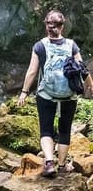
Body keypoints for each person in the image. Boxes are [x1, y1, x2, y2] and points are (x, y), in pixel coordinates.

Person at [18, 9, 83, 177]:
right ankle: (62, 166)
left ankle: (48, 163)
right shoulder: (72, 45)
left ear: (47, 26)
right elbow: (82, 70)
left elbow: (32, 71)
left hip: (46, 95)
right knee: (64, 130)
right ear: (62, 27)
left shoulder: (40, 46)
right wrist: (90, 86)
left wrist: (24, 92)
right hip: (69, 96)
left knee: (46, 130)